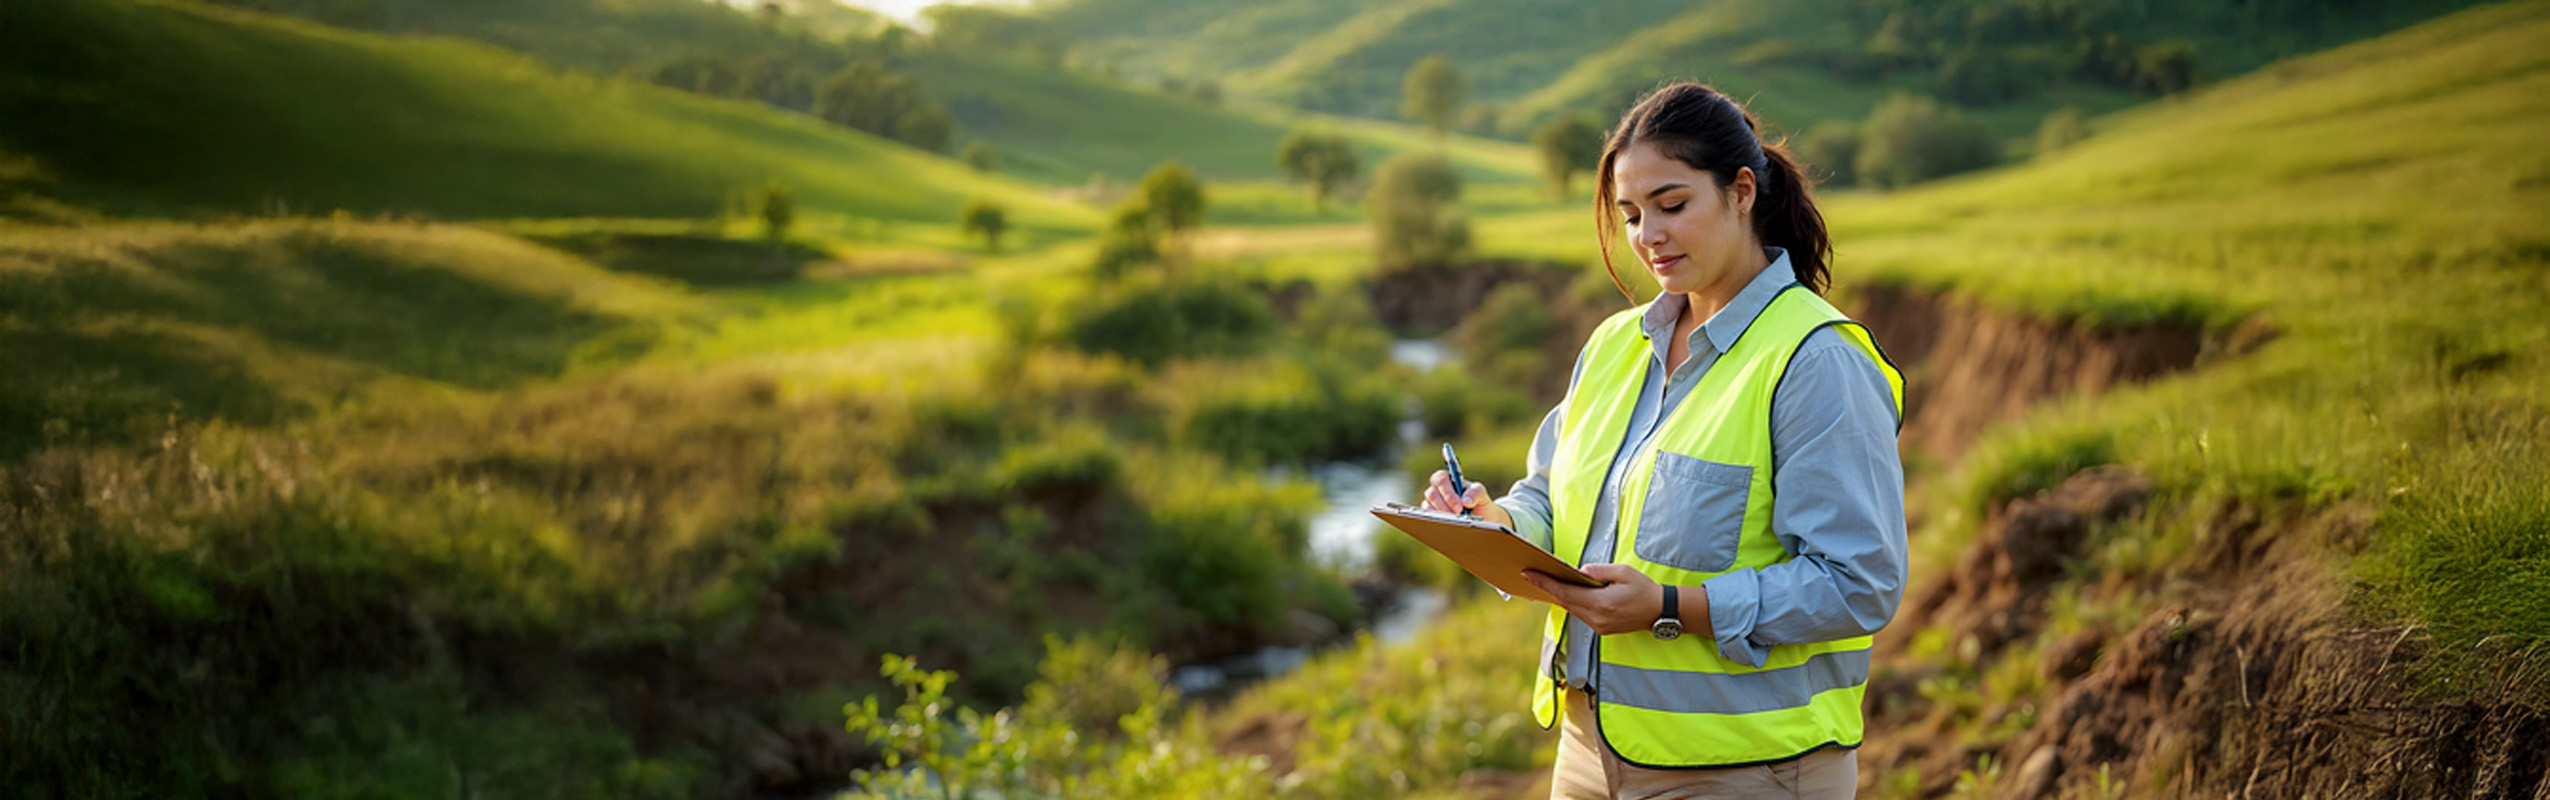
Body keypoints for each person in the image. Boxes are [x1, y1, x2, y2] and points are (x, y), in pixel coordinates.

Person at [1423, 82, 1906, 799]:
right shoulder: (1614, 345)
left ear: (1742, 192)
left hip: (1749, 769)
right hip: (1589, 751)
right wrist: (1494, 524)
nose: (1647, 235)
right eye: (1631, 215)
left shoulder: (1814, 359)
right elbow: (1555, 498)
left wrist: (1672, 608)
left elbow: (1859, 581)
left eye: (1672, 205)